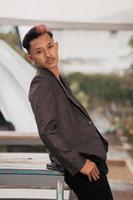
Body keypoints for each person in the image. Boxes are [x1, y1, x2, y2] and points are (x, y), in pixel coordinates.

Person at [22, 24, 113, 200]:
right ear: (31, 58)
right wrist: (80, 164)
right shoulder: (42, 84)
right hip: (80, 165)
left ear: (56, 46)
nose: (48, 55)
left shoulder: (55, 79)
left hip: (87, 161)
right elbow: (47, 131)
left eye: (49, 47)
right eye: (40, 51)